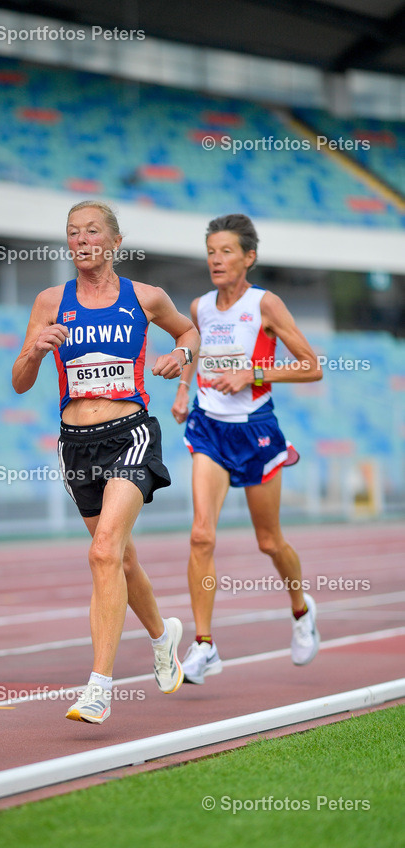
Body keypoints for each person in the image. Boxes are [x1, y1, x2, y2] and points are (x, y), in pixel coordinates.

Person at [12, 200, 200, 724]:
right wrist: (33, 352)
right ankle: (163, 639)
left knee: (101, 554)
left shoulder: (147, 297)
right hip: (75, 442)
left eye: (92, 231)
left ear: (115, 242)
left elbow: (189, 333)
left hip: (130, 433)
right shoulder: (51, 301)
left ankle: (99, 687)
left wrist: (180, 358)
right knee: (122, 560)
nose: (82, 240)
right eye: (73, 232)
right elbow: (20, 380)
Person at [172, 213, 322, 685]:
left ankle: (301, 610)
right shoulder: (199, 308)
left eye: (226, 252)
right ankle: (203, 646)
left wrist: (252, 375)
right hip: (209, 428)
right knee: (201, 535)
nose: (216, 259)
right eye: (211, 252)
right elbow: (193, 351)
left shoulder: (266, 305)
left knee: (269, 541)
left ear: (248, 257)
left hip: (256, 430)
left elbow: (311, 367)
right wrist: (182, 389)